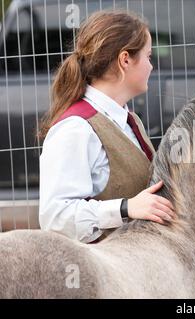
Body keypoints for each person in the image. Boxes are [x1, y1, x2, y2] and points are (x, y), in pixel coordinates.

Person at [37, 9, 175, 244]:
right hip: (101, 276)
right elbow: (55, 218)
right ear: (125, 60)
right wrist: (125, 208)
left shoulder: (130, 120)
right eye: (148, 56)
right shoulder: (76, 129)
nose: (152, 67)